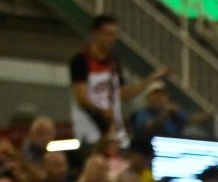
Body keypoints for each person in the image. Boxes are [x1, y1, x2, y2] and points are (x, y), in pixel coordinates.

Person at [69, 14, 166, 151]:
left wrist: (151, 79)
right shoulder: (81, 61)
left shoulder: (113, 62)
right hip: (90, 129)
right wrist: (103, 111)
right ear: (96, 34)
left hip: (113, 130)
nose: (111, 39)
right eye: (107, 34)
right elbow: (81, 98)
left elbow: (124, 94)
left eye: (114, 34)